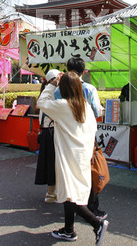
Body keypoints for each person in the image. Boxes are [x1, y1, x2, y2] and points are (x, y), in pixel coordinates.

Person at [37, 71, 109, 244]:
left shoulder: (62, 105)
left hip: (67, 155)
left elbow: (41, 102)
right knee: (71, 192)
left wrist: (52, 83)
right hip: (83, 155)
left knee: (70, 194)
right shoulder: (85, 106)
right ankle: (68, 229)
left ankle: (97, 223)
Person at [54, 57, 107, 220]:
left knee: (68, 172)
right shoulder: (89, 89)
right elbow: (97, 113)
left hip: (65, 138)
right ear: (83, 71)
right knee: (89, 170)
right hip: (85, 137)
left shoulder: (57, 91)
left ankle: (73, 206)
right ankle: (91, 207)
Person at [35, 68, 61, 202]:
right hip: (51, 131)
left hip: (48, 131)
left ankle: (52, 192)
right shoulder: (51, 90)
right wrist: (53, 84)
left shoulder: (49, 91)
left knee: (51, 162)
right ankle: (51, 193)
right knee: (52, 162)